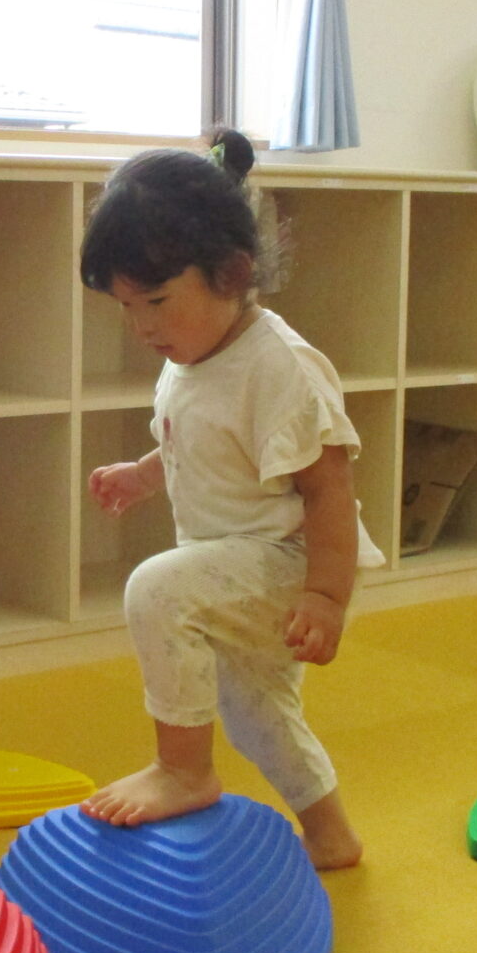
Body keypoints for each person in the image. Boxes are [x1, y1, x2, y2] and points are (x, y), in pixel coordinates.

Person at [75, 128, 379, 871]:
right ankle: (332, 836)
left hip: (288, 563)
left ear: (232, 272)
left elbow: (327, 486)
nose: (142, 326)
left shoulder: (279, 367)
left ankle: (183, 770)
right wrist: (144, 473)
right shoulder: (192, 353)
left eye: (156, 300)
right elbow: (200, 438)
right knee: (255, 716)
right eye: (125, 306)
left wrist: (326, 597)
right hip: (234, 561)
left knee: (156, 590)